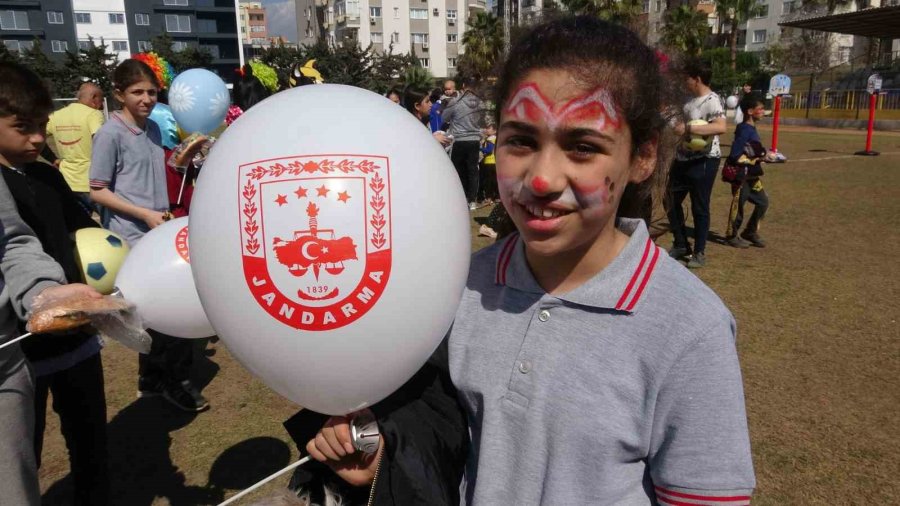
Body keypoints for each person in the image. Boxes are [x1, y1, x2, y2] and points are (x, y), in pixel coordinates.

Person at [302, 16, 754, 505]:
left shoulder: (689, 328)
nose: (541, 179)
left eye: (583, 147)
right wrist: (384, 457)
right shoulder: (461, 286)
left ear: (642, 158)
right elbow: (444, 435)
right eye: (521, 140)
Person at [0, 62, 110, 505]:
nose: (38, 138)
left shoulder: (48, 175)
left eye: (42, 125)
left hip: (75, 334)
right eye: (22, 127)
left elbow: (81, 230)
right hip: (21, 350)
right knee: (23, 446)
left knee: (90, 437)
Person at [89, 59, 209, 412]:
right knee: (166, 310)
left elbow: (161, 171)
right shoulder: (110, 134)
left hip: (160, 231)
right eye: (137, 92)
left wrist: (186, 160)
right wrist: (144, 214)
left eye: (152, 92)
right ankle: (171, 381)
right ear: (119, 94)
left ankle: (155, 378)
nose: (146, 99)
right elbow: (97, 191)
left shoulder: (154, 130)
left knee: (160, 312)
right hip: (132, 237)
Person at [667, 59, 727, 268]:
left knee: (699, 206)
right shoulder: (687, 100)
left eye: (687, 79)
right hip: (683, 158)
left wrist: (689, 129)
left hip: (704, 160)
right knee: (670, 199)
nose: (685, 82)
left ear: (697, 79)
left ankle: (699, 252)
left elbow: (720, 127)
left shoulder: (712, 100)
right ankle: (681, 243)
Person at [41, 81, 105, 213]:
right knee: (109, 225)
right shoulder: (93, 115)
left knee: (79, 227)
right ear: (94, 97)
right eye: (101, 99)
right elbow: (102, 143)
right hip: (93, 183)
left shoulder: (56, 115)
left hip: (68, 182)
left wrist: (52, 158)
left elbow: (37, 137)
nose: (101, 105)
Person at [724, 94, 769, 248]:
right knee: (739, 205)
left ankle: (750, 231)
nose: (763, 111)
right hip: (741, 175)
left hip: (752, 176)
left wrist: (762, 156)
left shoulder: (751, 128)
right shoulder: (744, 129)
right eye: (760, 109)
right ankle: (731, 235)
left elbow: (752, 149)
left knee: (763, 202)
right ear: (750, 111)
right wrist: (758, 158)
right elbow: (736, 154)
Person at [442, 76, 485, 210]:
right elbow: (484, 121)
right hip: (474, 140)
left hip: (459, 140)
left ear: (463, 86)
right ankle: (472, 201)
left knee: (459, 170)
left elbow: (444, 117)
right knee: (473, 170)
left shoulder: (456, 102)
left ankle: (462, 198)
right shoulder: (481, 103)